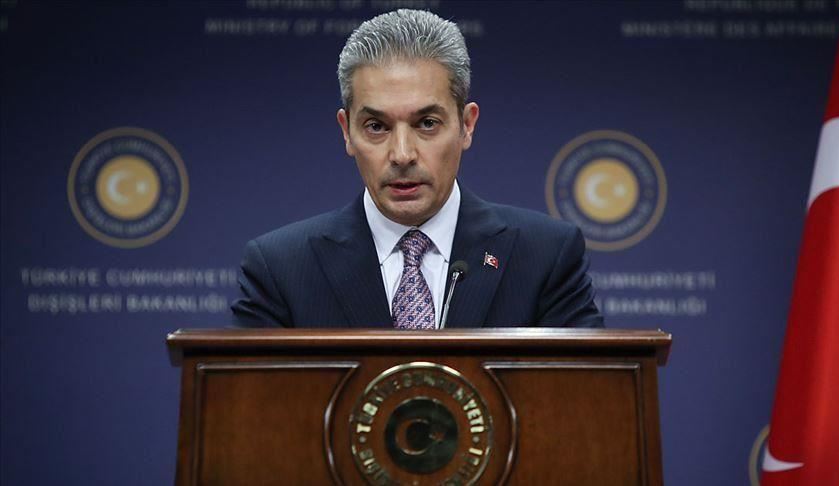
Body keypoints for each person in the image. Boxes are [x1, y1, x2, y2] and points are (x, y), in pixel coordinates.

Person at [232, 9, 603, 329]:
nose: (402, 154)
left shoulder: (544, 256)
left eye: (427, 123)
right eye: (376, 126)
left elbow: (585, 388)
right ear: (346, 132)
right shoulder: (281, 269)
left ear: (467, 125)